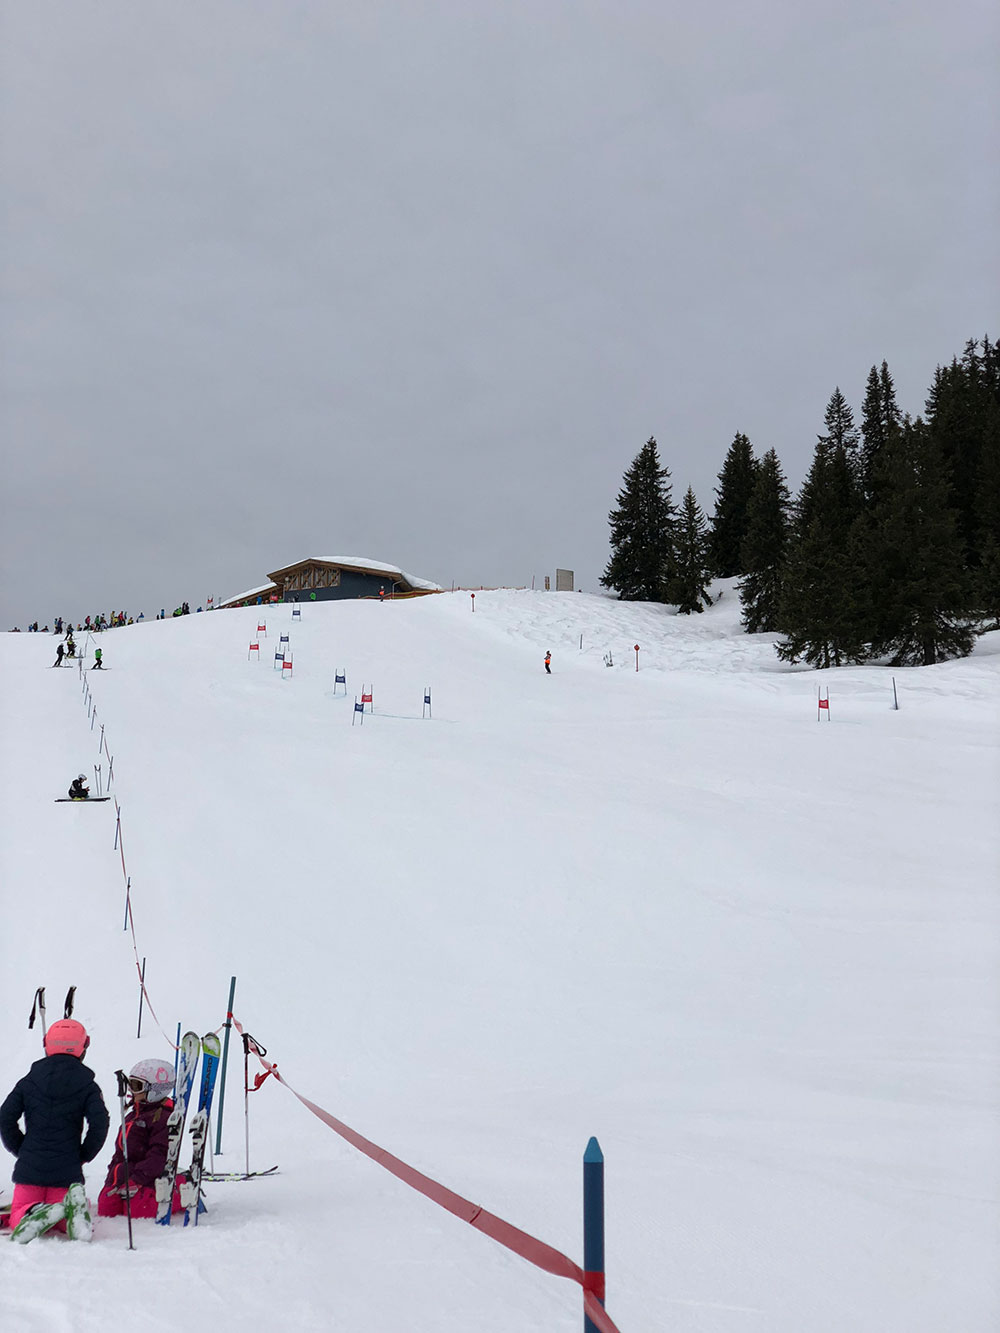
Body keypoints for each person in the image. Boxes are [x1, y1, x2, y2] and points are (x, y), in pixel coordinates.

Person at [0, 1019, 109, 1242]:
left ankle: (32, 1212)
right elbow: (100, 1123)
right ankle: (73, 1214)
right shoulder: (88, 1085)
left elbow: (5, 1117)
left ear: (47, 1044)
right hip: (67, 1170)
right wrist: (83, 1155)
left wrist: (22, 1149)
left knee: (18, 1213)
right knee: (60, 1213)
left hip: (30, 1168)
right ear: (83, 1047)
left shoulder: (29, 1081)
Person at [98, 1059, 185, 1219]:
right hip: (125, 1175)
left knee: (139, 1211)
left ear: (155, 1090)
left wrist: (137, 1179)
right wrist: (113, 1178)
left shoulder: (163, 1119)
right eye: (129, 1083)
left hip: (149, 1179)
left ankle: (179, 1188)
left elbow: (159, 1155)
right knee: (106, 1208)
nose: (131, 1090)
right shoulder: (133, 1115)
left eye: (137, 1086)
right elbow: (120, 1151)